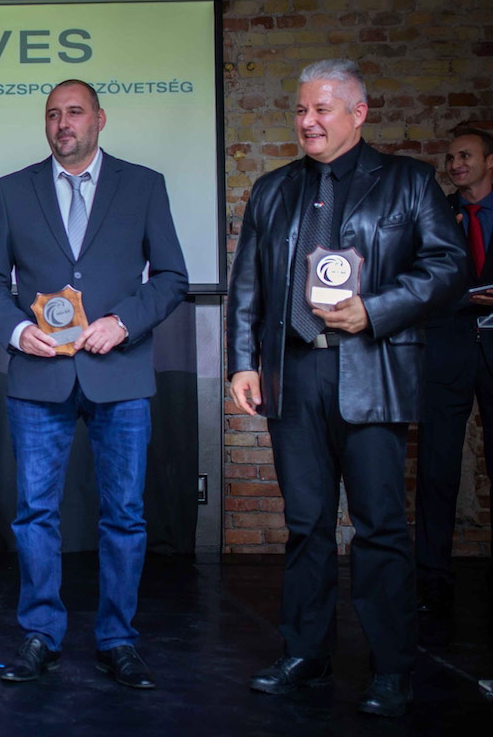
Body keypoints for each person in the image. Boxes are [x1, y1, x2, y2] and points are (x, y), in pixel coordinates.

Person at [226, 59, 465, 717]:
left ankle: (391, 667)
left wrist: (375, 309)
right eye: (301, 109)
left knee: (380, 527)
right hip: (294, 372)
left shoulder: (408, 181)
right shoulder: (273, 189)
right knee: (305, 526)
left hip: (371, 368)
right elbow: (247, 284)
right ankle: (306, 653)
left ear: (358, 114)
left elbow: (450, 265)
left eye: (321, 109)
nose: (307, 121)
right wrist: (242, 362)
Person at [0, 80, 188, 689]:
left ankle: (118, 639)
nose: (62, 123)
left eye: (74, 112)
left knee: (125, 515)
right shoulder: (14, 190)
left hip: (120, 372)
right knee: (35, 513)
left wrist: (123, 322)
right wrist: (19, 332)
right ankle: (40, 634)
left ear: (99, 119)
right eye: (52, 114)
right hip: (39, 374)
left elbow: (171, 277)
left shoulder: (143, 185)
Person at [415, 127, 493, 644]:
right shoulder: (439, 212)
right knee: (437, 469)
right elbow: (419, 275)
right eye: (450, 158)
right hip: (446, 351)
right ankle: (432, 581)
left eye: (465, 155)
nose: (455, 164)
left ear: (490, 159)